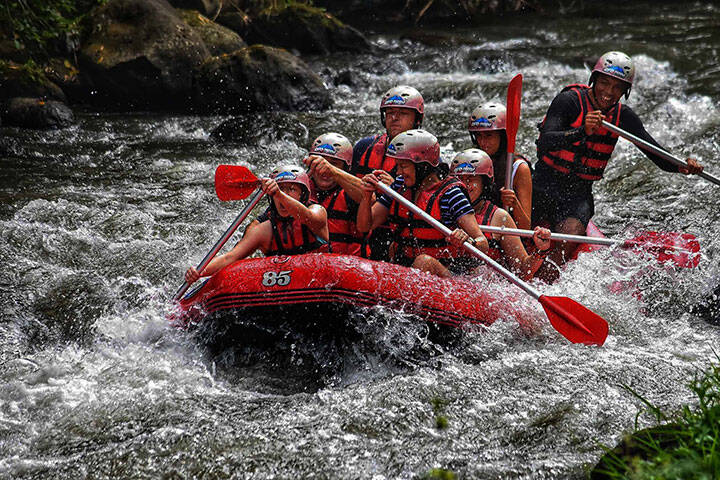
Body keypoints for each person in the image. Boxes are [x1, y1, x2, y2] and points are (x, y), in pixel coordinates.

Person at [533, 50, 704, 269]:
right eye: (604, 83)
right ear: (594, 80)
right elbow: (545, 141)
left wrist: (684, 166)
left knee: (570, 235)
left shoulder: (623, 117)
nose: (609, 92)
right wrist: (582, 131)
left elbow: (657, 154)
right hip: (543, 183)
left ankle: (545, 282)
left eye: (617, 88)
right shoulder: (569, 101)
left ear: (625, 91)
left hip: (577, 194)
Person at [358, 129, 489, 278]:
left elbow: (483, 243)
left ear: (423, 166)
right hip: (408, 271)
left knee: (423, 262)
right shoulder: (399, 187)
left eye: (404, 166)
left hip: (450, 275)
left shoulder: (451, 194)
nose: (398, 172)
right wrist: (366, 196)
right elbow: (364, 226)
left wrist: (466, 240)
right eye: (398, 166)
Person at [184, 165, 329, 285]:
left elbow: (308, 217)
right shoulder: (264, 230)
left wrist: (278, 193)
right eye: (281, 189)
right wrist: (200, 272)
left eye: (292, 189)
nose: (285, 194)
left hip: (320, 281)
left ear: (302, 195)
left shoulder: (317, 211)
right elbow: (230, 257)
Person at [450, 149, 551, 281]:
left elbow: (522, 271)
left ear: (484, 183)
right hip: (449, 281)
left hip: (484, 287)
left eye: (471, 179)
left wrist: (540, 251)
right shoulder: (443, 209)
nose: (464, 184)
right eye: (460, 179)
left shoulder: (499, 218)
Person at [352, 85, 425, 260]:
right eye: (390, 113)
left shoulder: (426, 154)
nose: (394, 118)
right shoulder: (364, 147)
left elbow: (430, 201)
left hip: (398, 234)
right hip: (363, 227)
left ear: (417, 119)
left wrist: (396, 188)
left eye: (403, 113)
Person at [468, 102, 533, 230]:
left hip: (508, 234)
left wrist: (514, 203)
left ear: (503, 136)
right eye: (478, 136)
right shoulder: (471, 162)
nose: (482, 142)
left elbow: (526, 227)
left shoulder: (518, 168)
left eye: (488, 135)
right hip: (482, 230)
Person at [302, 132, 369, 256]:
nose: (324, 170)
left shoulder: (351, 193)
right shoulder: (299, 190)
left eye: (334, 163)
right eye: (319, 163)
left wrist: (333, 171)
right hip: (308, 265)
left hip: (347, 265)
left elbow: (369, 197)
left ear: (345, 168)